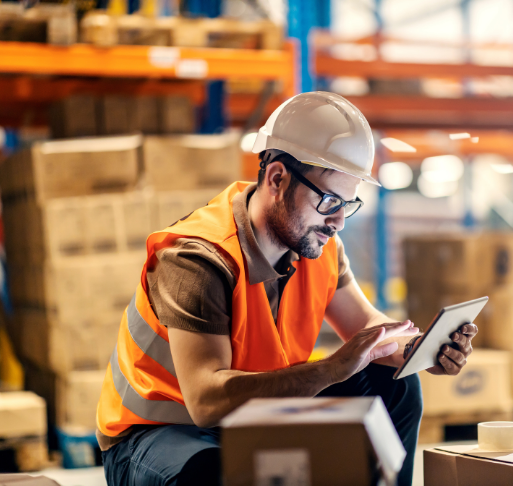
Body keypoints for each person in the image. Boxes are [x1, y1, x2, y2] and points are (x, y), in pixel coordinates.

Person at [96, 92, 478, 486]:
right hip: (160, 433)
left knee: (392, 385)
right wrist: (328, 370)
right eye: (329, 201)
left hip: (254, 415)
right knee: (212, 475)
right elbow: (207, 402)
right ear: (277, 178)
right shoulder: (197, 258)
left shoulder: (318, 245)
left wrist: (420, 350)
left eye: (348, 203)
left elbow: (370, 331)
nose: (338, 222)